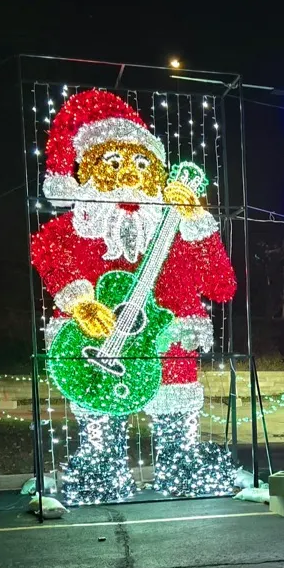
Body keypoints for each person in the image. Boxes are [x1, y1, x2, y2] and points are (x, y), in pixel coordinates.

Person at [31, 89, 237, 502]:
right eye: (114, 162)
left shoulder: (178, 230)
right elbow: (46, 249)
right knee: (100, 402)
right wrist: (78, 300)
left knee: (176, 406)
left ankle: (179, 465)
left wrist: (197, 221)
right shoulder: (76, 227)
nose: (130, 173)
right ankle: (102, 466)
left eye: (143, 163)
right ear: (87, 170)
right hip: (98, 340)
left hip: (169, 337)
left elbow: (221, 286)